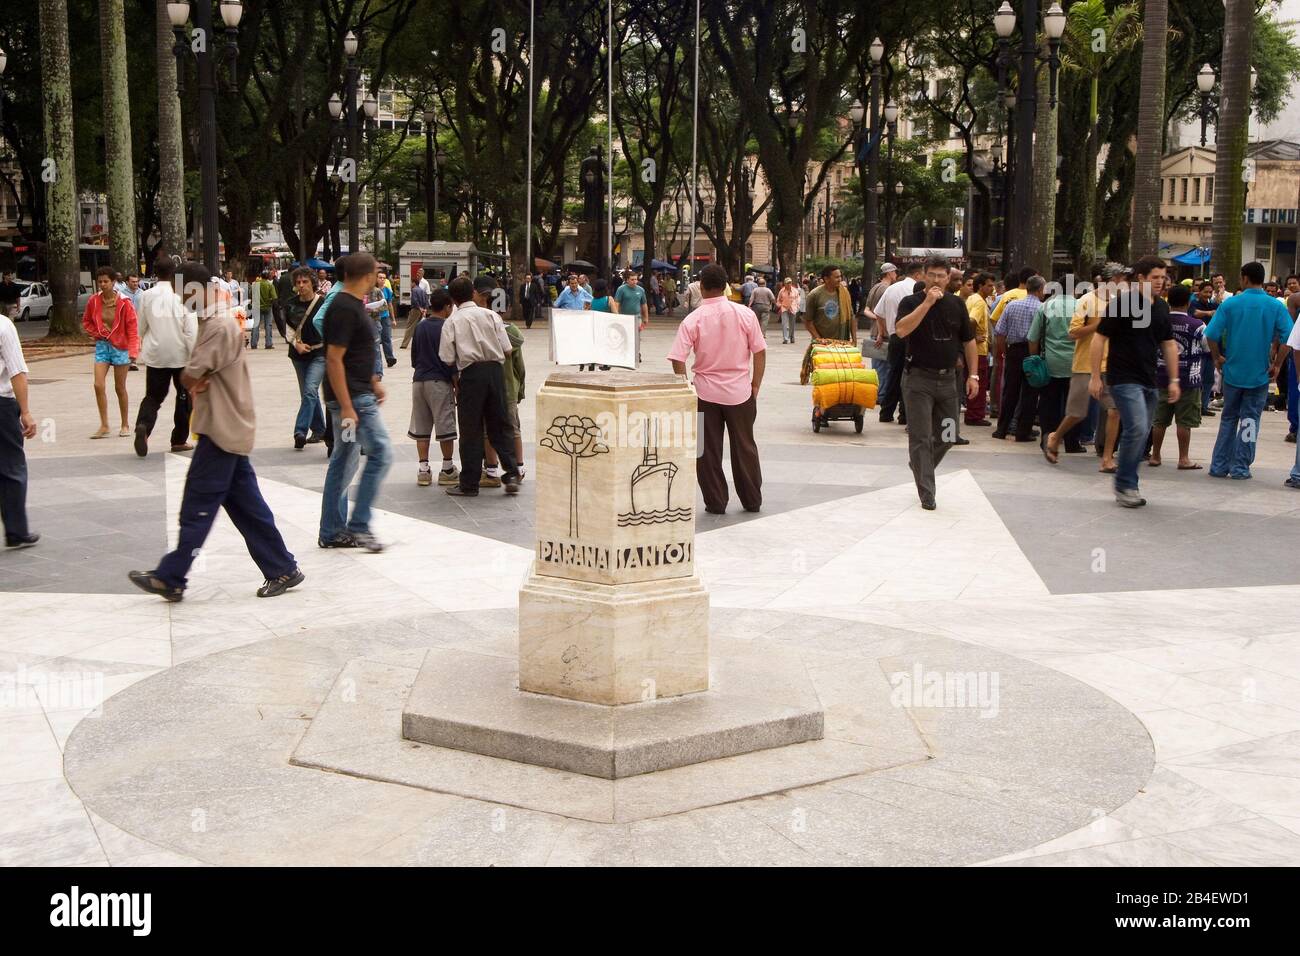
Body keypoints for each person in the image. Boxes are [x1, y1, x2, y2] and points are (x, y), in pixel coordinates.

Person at [127, 262, 304, 601]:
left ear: (199, 290)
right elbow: (194, 375)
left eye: (185, 294)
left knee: (198, 505)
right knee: (248, 508)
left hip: (222, 430)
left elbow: (190, 374)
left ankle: (171, 576)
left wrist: (194, 379)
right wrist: (195, 378)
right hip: (226, 427)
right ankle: (282, 566)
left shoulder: (219, 325)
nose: (182, 301)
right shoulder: (213, 321)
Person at [668, 263, 766, 514]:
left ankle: (716, 501)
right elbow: (759, 350)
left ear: (700, 287)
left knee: (707, 451)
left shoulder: (694, 318)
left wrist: (685, 387)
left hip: (704, 393)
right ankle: (752, 499)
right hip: (740, 392)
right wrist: (755, 384)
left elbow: (678, 358)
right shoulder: (745, 314)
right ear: (726, 287)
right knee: (745, 447)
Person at [1089, 256, 1180, 507]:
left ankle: (1128, 481)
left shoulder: (1161, 306)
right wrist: (1095, 376)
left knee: (1140, 433)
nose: (1161, 282)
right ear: (1140, 278)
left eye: (1163, 277)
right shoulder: (1124, 303)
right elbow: (1099, 338)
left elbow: (1169, 343)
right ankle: (1125, 484)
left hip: (1149, 379)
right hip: (1123, 378)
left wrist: (1174, 379)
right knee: (1137, 428)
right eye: (1155, 277)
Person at [319, 252, 393, 552]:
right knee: (381, 453)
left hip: (357, 394)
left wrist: (374, 382)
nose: (378, 277)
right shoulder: (344, 307)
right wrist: (348, 404)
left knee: (344, 458)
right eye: (376, 272)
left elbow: (352, 354)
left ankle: (332, 530)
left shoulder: (351, 305)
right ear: (366, 275)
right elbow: (334, 359)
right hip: (353, 402)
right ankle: (359, 525)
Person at [894, 255, 979, 510]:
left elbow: (969, 341)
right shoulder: (911, 302)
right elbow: (901, 330)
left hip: (948, 380)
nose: (937, 279)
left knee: (949, 434)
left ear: (948, 278)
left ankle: (920, 464)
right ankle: (927, 492)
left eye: (942, 275)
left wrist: (973, 375)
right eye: (932, 274)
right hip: (918, 378)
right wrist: (927, 303)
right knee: (920, 438)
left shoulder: (957, 304)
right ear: (924, 275)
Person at [1204, 261, 1294, 480]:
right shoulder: (1274, 306)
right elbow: (1289, 339)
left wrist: (1217, 358)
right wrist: (1278, 363)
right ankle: (1240, 467)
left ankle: (1218, 465)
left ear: (1244, 278)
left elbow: (1211, 334)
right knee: (1250, 420)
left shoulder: (1231, 304)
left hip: (1233, 372)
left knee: (1228, 419)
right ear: (1262, 279)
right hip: (1259, 374)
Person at [439, 274, 520, 496]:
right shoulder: (491, 315)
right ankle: (512, 473)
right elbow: (507, 348)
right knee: (500, 423)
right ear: (473, 292)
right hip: (495, 372)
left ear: (453, 300)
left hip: (471, 374)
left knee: (471, 429)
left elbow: (446, 357)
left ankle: (469, 483)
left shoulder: (452, 321)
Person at [1047, 263, 1125, 462]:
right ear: (1108, 281)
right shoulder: (1087, 300)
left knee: (1114, 411)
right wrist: (1100, 324)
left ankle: (1107, 457)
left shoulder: (1120, 302)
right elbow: (1073, 333)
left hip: (1111, 365)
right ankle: (1055, 436)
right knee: (1077, 413)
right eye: (1119, 279)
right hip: (1085, 364)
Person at [132, 258, 197, 457]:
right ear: (174, 273)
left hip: (156, 354)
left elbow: (141, 326)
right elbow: (191, 330)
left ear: (154, 272)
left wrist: (146, 338)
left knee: (153, 396)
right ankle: (178, 439)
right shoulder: (184, 295)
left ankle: (143, 426)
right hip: (180, 354)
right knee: (183, 397)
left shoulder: (146, 295)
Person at [1149, 282, 1206, 470]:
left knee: (1159, 420)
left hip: (1160, 376)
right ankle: (1183, 458)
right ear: (1188, 302)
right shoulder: (1197, 325)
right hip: (1189, 379)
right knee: (1184, 421)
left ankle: (1155, 455)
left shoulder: (1159, 321)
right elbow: (1206, 346)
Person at [409, 288, 459, 487]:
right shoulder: (446, 327)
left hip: (418, 380)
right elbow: (450, 359)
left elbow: (414, 357)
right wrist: (456, 383)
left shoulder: (420, 326)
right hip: (439, 381)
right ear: (447, 307)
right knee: (445, 425)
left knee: (421, 426)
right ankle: (447, 468)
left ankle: (423, 469)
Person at [82, 265, 139, 439]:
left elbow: (132, 328)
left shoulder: (124, 302)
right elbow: (86, 322)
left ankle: (125, 424)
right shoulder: (93, 300)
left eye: (106, 281)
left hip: (120, 347)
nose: (103, 284)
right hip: (102, 346)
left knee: (120, 387)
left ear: (113, 282)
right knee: (98, 385)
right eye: (100, 282)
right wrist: (96, 333)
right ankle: (104, 425)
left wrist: (133, 351)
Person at [0, 308, 38, 548]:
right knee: (12, 467)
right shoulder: (4, 326)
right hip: (1, 406)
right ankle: (16, 530)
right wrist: (25, 411)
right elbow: (17, 371)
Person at [1029, 283, 1079, 462]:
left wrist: (1034, 358)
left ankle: (1047, 436)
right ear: (1075, 289)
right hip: (1075, 363)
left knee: (1048, 403)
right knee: (1073, 404)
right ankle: (1072, 441)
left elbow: (1033, 337)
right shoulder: (1082, 306)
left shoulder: (1045, 307)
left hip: (1050, 363)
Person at [993, 273, 1045, 441]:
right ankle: (1023, 431)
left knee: (1010, 392)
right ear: (1040, 290)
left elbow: (1000, 332)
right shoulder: (1042, 308)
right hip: (1033, 352)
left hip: (1014, 351)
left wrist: (1004, 353)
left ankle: (1001, 429)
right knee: (1030, 393)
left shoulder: (1012, 305)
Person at [283, 266, 330, 451]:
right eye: (298, 282)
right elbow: (286, 328)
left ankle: (299, 432)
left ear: (313, 283)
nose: (301, 286)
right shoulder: (290, 304)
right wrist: (297, 344)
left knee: (310, 390)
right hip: (298, 355)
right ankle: (319, 429)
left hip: (319, 353)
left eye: (305, 282)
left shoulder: (323, 303)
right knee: (308, 394)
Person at [874, 262, 925, 424]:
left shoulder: (892, 288)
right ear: (917, 275)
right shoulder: (917, 291)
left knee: (893, 374)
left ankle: (886, 412)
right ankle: (904, 415)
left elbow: (878, 313)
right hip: (912, 337)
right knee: (909, 376)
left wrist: (882, 332)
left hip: (895, 337)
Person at [964, 273, 994, 425]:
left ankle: (973, 413)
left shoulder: (972, 298)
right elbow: (971, 320)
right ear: (980, 286)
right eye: (989, 285)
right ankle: (975, 415)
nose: (992, 288)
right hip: (978, 350)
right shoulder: (979, 302)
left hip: (974, 348)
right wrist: (973, 338)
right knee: (979, 383)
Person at [401, 263, 431, 350]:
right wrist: (425, 308)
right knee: (418, 327)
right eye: (417, 272)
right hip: (422, 309)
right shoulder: (421, 290)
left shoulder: (417, 288)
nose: (418, 274)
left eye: (420, 273)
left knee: (410, 326)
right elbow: (426, 298)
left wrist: (420, 308)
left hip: (416, 309)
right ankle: (419, 343)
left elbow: (415, 300)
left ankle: (404, 344)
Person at [375, 268, 397, 368]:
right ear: (376, 279)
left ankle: (390, 358)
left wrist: (393, 319)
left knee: (387, 338)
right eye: (380, 278)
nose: (382, 280)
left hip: (385, 317)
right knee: (377, 339)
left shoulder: (387, 290)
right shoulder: (372, 290)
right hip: (375, 318)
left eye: (384, 278)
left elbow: (390, 304)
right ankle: (377, 360)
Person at [775, 277, 800, 344]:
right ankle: (785, 339)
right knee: (784, 324)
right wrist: (780, 305)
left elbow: (798, 299)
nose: (789, 284)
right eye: (787, 283)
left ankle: (792, 337)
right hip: (784, 308)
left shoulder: (795, 290)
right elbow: (778, 300)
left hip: (793, 308)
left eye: (790, 283)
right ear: (785, 284)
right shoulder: (782, 291)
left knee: (792, 324)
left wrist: (797, 306)